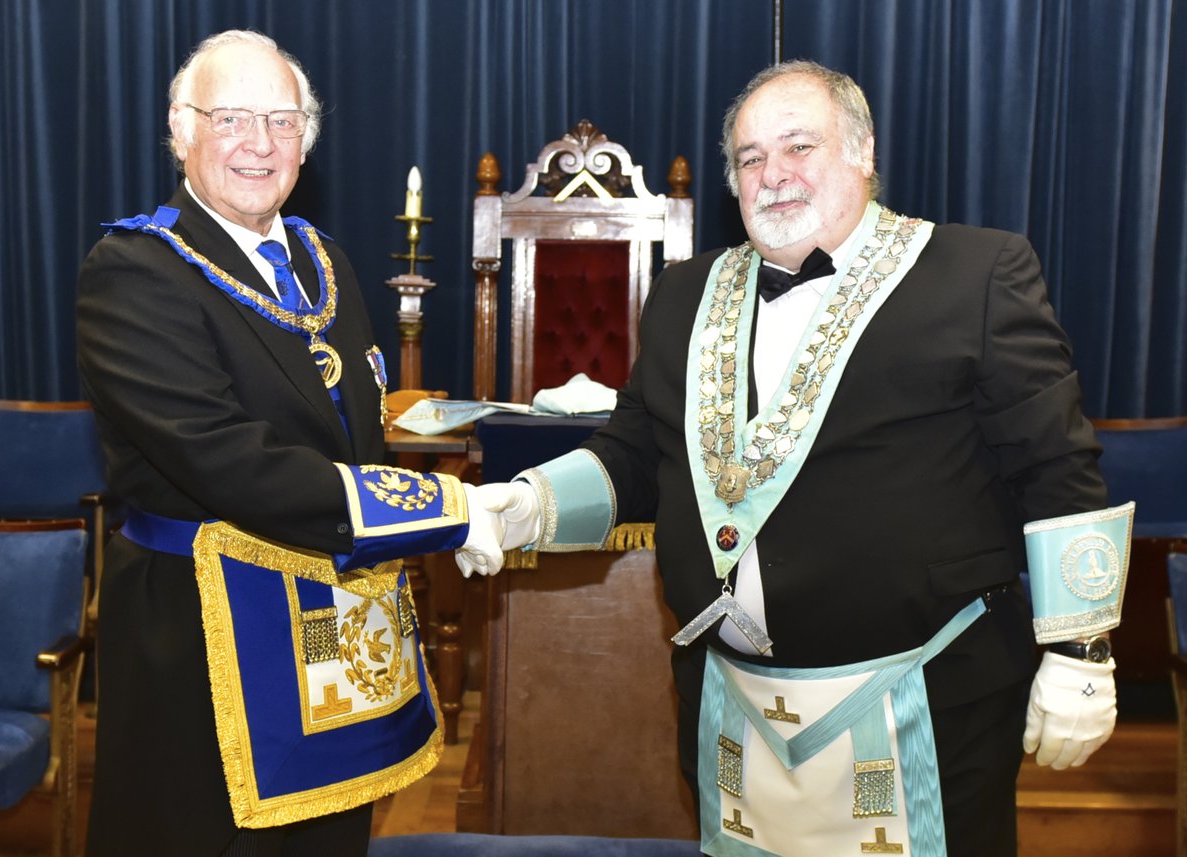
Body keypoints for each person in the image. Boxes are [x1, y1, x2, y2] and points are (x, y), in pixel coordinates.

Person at [472, 60, 1132, 857]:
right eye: (751, 158)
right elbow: (637, 454)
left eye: (798, 147)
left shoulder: (977, 273)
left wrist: (1080, 650)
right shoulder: (684, 294)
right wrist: (531, 502)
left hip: (923, 700)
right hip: (731, 709)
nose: (773, 176)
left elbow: (1056, 465)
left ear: (863, 152)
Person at [77, 30, 500, 857]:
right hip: (202, 648)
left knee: (329, 838)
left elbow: (358, 437)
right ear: (181, 128)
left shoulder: (324, 261)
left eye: (283, 120)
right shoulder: (134, 270)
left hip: (333, 628)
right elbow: (226, 459)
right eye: (232, 118)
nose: (260, 144)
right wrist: (445, 511)